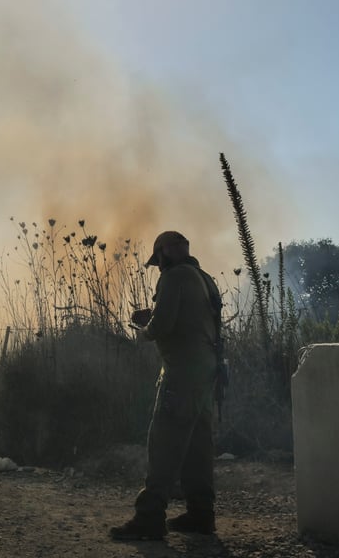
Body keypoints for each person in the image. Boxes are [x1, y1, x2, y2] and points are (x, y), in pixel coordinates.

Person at [110, 231, 223, 541]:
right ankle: (202, 514)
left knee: (164, 443)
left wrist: (143, 328)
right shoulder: (204, 277)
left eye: (158, 259)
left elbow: (162, 327)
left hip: (181, 374)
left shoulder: (173, 278)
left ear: (163, 254)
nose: (158, 266)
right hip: (205, 372)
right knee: (198, 446)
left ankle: (149, 517)